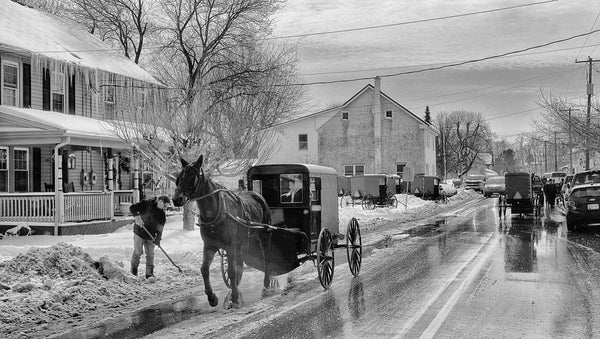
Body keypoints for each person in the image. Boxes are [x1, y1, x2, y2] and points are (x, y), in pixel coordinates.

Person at [130, 195, 170, 279]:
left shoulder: (162, 214)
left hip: (150, 236)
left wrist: (158, 239)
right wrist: (137, 217)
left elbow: (160, 229)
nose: (163, 206)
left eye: (165, 205)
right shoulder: (147, 203)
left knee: (150, 254)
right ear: (159, 201)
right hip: (139, 232)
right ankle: (133, 271)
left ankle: (149, 273)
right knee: (138, 252)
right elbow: (132, 207)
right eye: (162, 203)